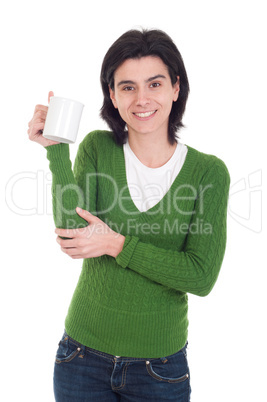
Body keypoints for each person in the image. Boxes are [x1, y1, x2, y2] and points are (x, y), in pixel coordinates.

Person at [28, 28, 230, 402]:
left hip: (159, 369)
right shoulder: (97, 148)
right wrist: (56, 151)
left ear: (175, 88)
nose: (141, 99)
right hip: (80, 358)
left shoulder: (208, 172)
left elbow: (201, 275)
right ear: (112, 95)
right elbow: (72, 235)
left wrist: (117, 244)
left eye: (154, 84)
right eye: (127, 87)